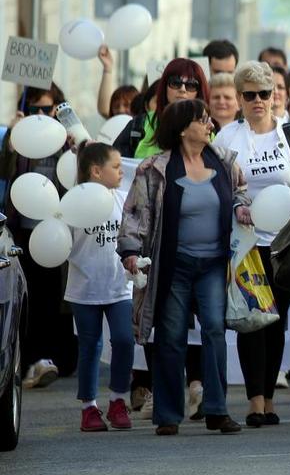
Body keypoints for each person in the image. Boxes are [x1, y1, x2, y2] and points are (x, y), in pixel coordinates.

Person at [119, 98, 250, 435]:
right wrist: (131, 251)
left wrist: (240, 207)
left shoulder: (223, 161)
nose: (210, 124)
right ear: (182, 129)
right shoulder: (155, 168)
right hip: (173, 265)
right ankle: (167, 415)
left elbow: (241, 192)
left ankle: (217, 410)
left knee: (214, 331)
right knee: (171, 336)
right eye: (202, 120)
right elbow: (135, 212)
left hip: (214, 264)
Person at [215, 62, 290, 427]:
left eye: (265, 94)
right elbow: (218, 186)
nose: (258, 101)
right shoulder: (227, 138)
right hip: (246, 243)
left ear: (275, 96)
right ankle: (255, 402)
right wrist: (238, 205)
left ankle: (270, 399)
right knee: (252, 321)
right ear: (240, 98)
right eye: (250, 95)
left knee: (276, 324)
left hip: (286, 242)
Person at [3, 84, 74, 388]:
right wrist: (12, 141)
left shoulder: (64, 143)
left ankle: (46, 359)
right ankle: (28, 360)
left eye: (48, 109)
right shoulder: (16, 140)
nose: (41, 116)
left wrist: (73, 145)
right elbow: (4, 175)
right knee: (24, 296)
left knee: (49, 300)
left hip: (54, 234)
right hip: (22, 232)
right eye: (35, 111)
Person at [67, 143, 135, 432]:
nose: (121, 172)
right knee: (89, 345)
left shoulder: (122, 199)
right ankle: (88, 407)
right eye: (116, 167)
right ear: (96, 170)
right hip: (84, 288)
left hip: (119, 286)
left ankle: (119, 399)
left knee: (123, 340)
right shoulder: (71, 202)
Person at [114, 58, 209, 158]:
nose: (182, 89)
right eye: (175, 83)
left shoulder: (210, 127)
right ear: (164, 87)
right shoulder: (138, 124)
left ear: (199, 91)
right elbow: (115, 165)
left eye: (191, 85)